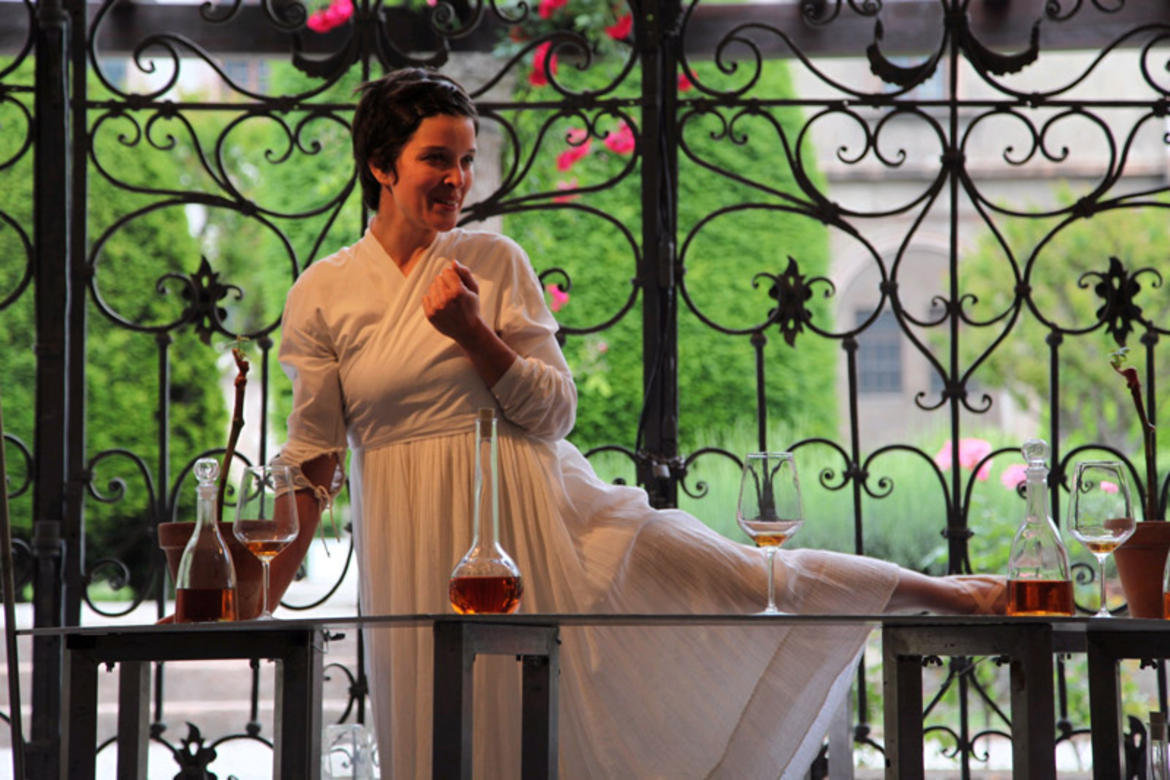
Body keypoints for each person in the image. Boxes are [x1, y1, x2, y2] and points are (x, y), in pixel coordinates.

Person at [265, 67, 1006, 778]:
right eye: (437, 159)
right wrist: (257, 593)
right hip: (412, 545)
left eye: (466, 160)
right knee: (442, 738)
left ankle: (951, 593)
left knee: (745, 579)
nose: (457, 179)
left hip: (544, 529)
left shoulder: (492, 261)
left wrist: (473, 333)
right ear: (381, 166)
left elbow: (555, 411)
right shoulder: (324, 293)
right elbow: (314, 457)